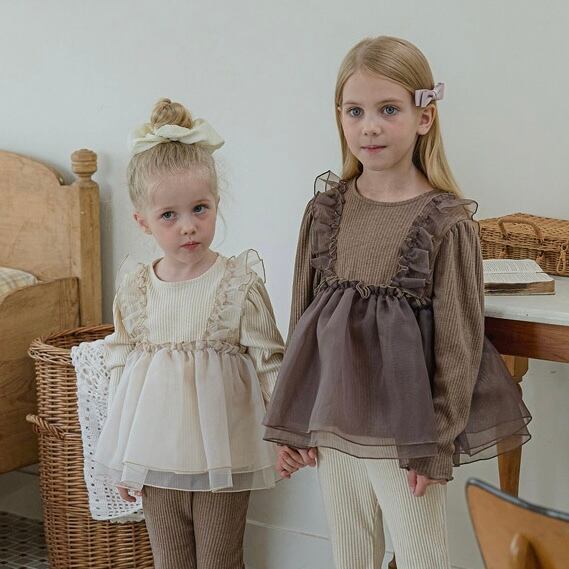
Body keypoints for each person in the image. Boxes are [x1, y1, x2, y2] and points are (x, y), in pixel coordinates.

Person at [265, 36, 531, 569]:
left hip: (406, 432)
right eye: (355, 111)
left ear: (423, 116)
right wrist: (292, 418)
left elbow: (460, 343)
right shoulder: (325, 212)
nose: (370, 126)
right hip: (334, 419)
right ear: (340, 117)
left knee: (420, 555)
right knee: (351, 552)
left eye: (388, 110)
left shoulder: (445, 222)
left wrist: (435, 443)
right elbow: (303, 324)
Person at [94, 98, 284, 569]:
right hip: (155, 453)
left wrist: (286, 434)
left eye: (200, 209)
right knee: (170, 560)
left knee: (220, 559)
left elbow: (269, 361)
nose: (188, 227)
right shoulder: (136, 289)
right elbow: (120, 366)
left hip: (224, 452)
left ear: (216, 204)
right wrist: (123, 454)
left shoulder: (237, 284)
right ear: (142, 221)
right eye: (169, 215)